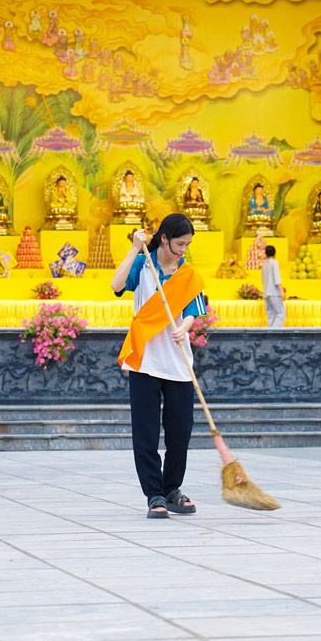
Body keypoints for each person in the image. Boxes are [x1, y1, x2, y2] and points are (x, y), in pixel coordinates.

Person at [112, 213, 208, 519]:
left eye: (188, 244)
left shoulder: (188, 274)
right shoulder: (144, 265)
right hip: (145, 360)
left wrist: (186, 327)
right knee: (146, 432)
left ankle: (172, 489)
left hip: (177, 361)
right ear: (164, 238)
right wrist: (133, 249)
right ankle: (154, 494)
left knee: (181, 430)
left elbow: (194, 310)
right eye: (180, 243)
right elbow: (116, 285)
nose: (183, 249)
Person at [262, 245, 284, 327]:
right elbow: (277, 277)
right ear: (275, 253)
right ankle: (274, 331)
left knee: (270, 315)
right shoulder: (274, 263)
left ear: (265, 253)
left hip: (266, 292)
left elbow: (263, 280)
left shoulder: (264, 265)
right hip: (274, 292)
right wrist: (281, 290)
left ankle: (269, 332)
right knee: (281, 313)